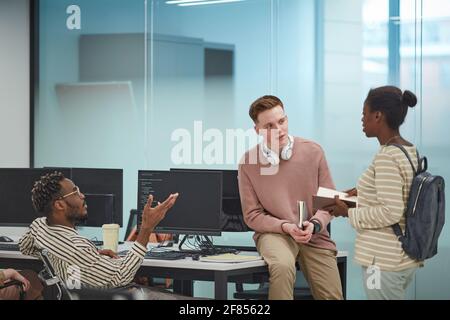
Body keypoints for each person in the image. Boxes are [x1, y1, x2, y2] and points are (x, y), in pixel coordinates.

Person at [238, 95, 343, 300]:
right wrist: (285, 226)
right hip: (276, 234)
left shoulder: (313, 151)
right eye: (269, 126)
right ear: (257, 130)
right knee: (283, 267)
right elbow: (252, 215)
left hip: (313, 234)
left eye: (281, 121)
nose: (279, 129)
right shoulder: (248, 162)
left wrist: (315, 224)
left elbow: (329, 203)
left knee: (332, 295)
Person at [19, 171, 185, 300]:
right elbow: (122, 276)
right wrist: (147, 228)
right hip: (118, 294)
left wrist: (85, 261)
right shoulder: (77, 247)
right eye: (75, 192)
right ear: (59, 205)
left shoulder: (39, 226)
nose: (82, 195)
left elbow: (25, 246)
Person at [324, 86, 423, 300]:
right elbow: (399, 191)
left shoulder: (387, 156)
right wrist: (358, 193)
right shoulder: (407, 150)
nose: (362, 119)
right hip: (399, 258)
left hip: (381, 261)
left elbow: (391, 211)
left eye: (364, 113)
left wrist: (347, 212)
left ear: (377, 115)